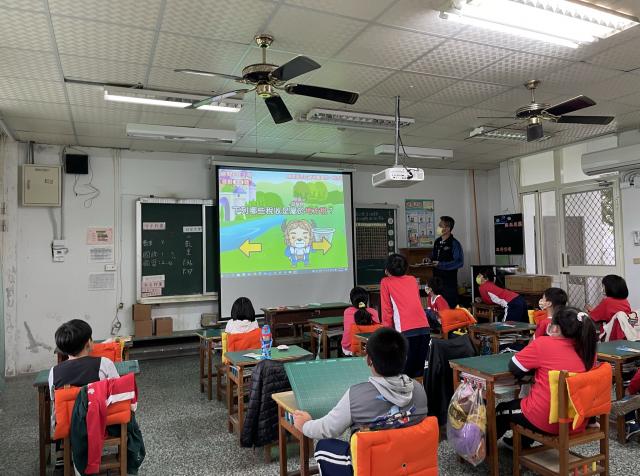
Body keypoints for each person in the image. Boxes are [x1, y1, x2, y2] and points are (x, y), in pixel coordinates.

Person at [293, 327, 428, 476]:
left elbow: (327, 429)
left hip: (371, 467)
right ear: (405, 358)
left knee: (323, 446)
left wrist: (305, 425)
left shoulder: (355, 395)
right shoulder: (419, 390)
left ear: (368, 360)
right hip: (407, 464)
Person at [497, 307, 598, 448]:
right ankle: (520, 444)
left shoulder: (543, 343)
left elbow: (514, 367)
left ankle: (482, 452)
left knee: (502, 410)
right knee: (528, 403)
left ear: (555, 328)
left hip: (547, 421)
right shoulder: (589, 351)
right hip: (578, 421)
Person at [380, 253, 430, 378]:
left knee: (404, 371)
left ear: (387, 269)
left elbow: (386, 310)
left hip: (405, 330)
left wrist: (387, 333)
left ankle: (404, 391)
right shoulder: (412, 279)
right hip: (424, 327)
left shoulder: (385, 282)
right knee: (420, 370)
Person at [48, 319, 119, 401]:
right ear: (88, 343)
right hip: (101, 408)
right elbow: (118, 391)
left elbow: (54, 399)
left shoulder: (54, 372)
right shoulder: (104, 364)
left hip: (68, 409)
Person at [431, 216, 463, 308]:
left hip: (448, 283)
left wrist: (441, 265)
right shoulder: (437, 242)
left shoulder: (454, 244)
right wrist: (428, 259)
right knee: (437, 308)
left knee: (449, 307)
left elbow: (459, 262)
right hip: (436, 281)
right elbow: (434, 255)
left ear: (448, 228)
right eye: (439, 225)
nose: (438, 227)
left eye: (441, 226)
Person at [587, 274, 631, 340]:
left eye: (603, 286)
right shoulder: (625, 302)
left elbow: (592, 317)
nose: (602, 289)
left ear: (610, 288)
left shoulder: (607, 301)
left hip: (610, 336)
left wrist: (589, 312)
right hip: (625, 335)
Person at [341, 287, 379, 356]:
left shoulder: (347, 311)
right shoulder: (373, 312)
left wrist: (346, 345)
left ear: (352, 300)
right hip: (370, 347)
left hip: (351, 349)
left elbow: (347, 332)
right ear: (366, 300)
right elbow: (377, 331)